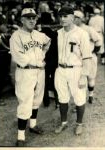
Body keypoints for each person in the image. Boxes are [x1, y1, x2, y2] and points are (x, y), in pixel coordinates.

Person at [10, 6, 51, 147]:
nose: (32, 20)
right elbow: (17, 56)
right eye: (28, 18)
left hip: (40, 71)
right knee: (25, 100)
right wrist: (33, 61)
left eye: (33, 18)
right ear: (22, 19)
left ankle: (33, 125)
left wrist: (43, 54)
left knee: (37, 98)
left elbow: (48, 41)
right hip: (25, 71)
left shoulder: (39, 35)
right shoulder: (16, 36)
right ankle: (20, 136)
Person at [54, 6, 92, 135]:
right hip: (60, 69)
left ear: (72, 17)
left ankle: (79, 123)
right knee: (62, 98)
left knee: (79, 98)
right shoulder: (58, 33)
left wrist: (84, 76)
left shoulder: (82, 33)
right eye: (60, 16)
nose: (62, 19)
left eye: (65, 16)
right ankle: (63, 123)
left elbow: (87, 56)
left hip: (76, 69)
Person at [74, 10, 102, 104]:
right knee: (79, 80)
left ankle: (90, 95)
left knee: (90, 77)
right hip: (77, 59)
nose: (73, 19)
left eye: (75, 17)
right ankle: (80, 101)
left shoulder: (88, 29)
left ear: (80, 19)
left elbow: (98, 40)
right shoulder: (72, 29)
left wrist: (93, 52)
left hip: (89, 57)